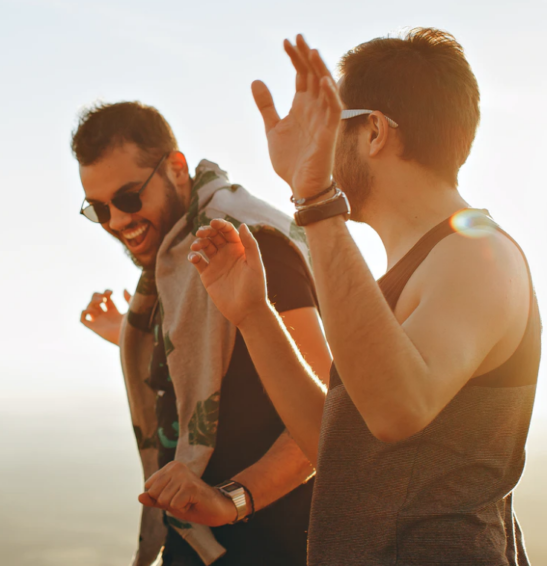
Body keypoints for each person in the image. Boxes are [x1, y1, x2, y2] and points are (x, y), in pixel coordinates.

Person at [149, 29, 540, 564]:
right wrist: (254, 315)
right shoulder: (413, 270)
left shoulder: (477, 255)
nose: (317, 145)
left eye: (328, 126)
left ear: (374, 131)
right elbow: (340, 448)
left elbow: (396, 410)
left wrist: (314, 199)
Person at [74, 102, 330, 566]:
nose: (115, 221)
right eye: (99, 208)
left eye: (129, 198)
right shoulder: (176, 261)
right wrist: (128, 335)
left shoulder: (251, 244)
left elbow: (330, 414)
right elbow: (216, 360)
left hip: (271, 544)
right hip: (196, 543)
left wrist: (233, 500)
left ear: (175, 168)